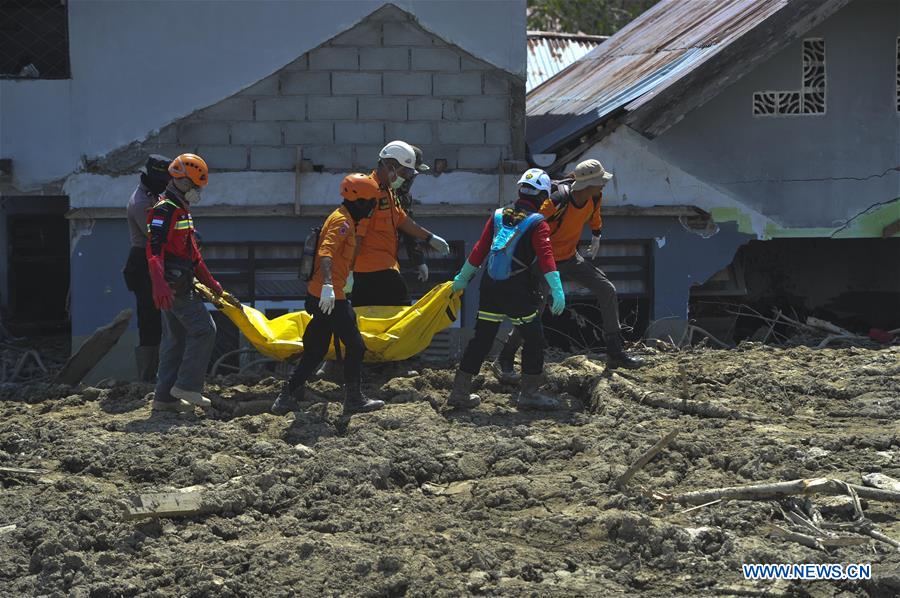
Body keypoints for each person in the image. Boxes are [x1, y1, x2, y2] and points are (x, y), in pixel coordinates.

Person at [493, 159, 643, 380]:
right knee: (534, 313)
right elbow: (527, 224)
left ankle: (615, 352)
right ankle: (504, 359)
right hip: (544, 264)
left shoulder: (595, 196)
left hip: (571, 257)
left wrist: (597, 234)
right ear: (587, 184)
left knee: (606, 289)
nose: (603, 185)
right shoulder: (557, 201)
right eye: (599, 182)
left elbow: (595, 215)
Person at [448, 168, 566, 410]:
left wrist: (462, 278)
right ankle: (529, 393)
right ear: (543, 196)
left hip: (490, 286)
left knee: (482, 338)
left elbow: (479, 250)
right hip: (517, 291)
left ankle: (459, 393)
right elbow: (546, 258)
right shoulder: (537, 223)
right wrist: (557, 288)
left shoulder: (499, 215)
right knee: (534, 339)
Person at [272, 174, 385, 417]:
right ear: (359, 200)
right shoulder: (341, 222)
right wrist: (328, 286)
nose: (373, 207)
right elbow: (326, 253)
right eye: (371, 202)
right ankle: (354, 399)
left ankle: (285, 397)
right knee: (356, 346)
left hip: (325, 294)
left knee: (315, 350)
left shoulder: (344, 219)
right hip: (330, 296)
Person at [146, 153, 222, 413]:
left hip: (178, 282)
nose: (197, 191)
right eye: (194, 186)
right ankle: (188, 387)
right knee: (205, 330)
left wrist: (211, 282)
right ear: (180, 181)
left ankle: (164, 398)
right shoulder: (164, 210)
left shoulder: (181, 211)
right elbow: (154, 250)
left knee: (175, 340)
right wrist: (159, 285)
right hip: (174, 286)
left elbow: (192, 254)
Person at [348, 140, 450, 307]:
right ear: (391, 167)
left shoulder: (388, 192)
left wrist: (430, 237)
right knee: (403, 313)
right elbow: (356, 234)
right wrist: (349, 269)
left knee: (363, 318)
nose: (408, 179)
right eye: (406, 174)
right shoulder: (369, 192)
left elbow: (402, 219)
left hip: (379, 267)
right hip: (373, 268)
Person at [123, 154, 170, 382]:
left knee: (163, 315)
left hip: (156, 257)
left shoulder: (155, 194)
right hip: (143, 260)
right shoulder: (141, 201)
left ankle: (163, 372)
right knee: (149, 317)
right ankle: (148, 375)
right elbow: (155, 236)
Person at [396, 145, 431, 284]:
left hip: (389, 255)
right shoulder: (376, 190)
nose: (411, 178)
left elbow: (409, 229)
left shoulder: (404, 197)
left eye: (414, 174)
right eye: (410, 173)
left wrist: (419, 261)